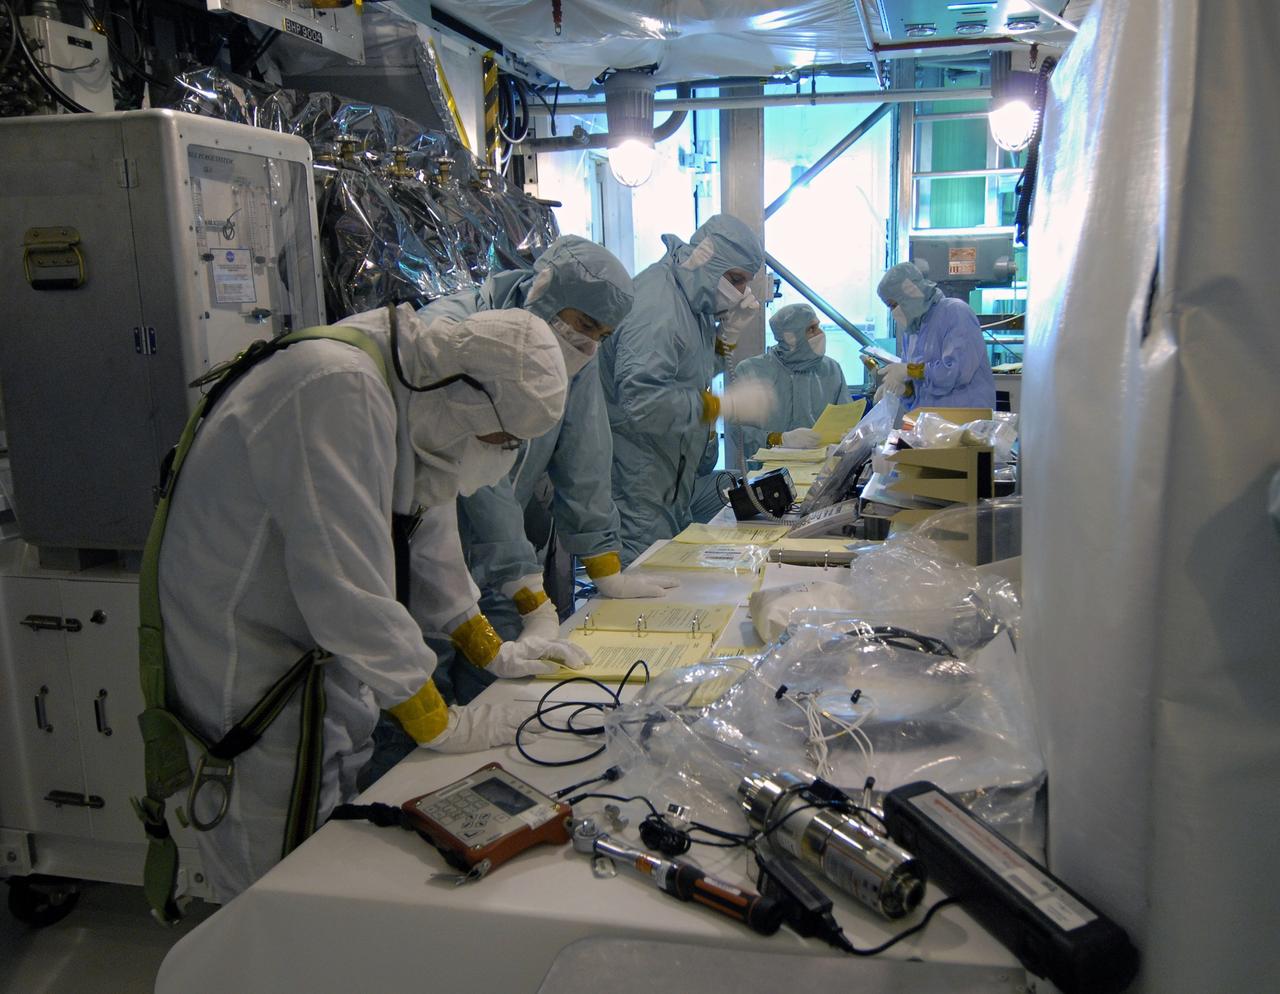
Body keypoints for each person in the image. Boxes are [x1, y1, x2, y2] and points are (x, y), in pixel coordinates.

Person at [156, 306, 577, 900]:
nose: (496, 453)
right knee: (275, 885)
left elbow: (423, 517)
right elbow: (346, 587)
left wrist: (486, 644)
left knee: (322, 864)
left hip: (308, 655)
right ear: (467, 401)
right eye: (498, 440)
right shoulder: (338, 386)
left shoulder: (409, 381)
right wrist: (439, 718)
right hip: (252, 673)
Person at [417, 235, 679, 703]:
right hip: (423, 552)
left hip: (500, 553)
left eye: (602, 335)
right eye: (585, 325)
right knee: (418, 684)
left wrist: (603, 564)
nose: (589, 343)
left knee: (503, 689)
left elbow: (586, 449)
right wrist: (527, 587)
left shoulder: (570, 349)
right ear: (544, 289)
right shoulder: (454, 337)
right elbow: (478, 474)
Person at [599, 214, 775, 563]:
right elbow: (642, 402)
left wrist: (725, 341)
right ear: (709, 258)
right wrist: (718, 406)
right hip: (636, 479)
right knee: (643, 585)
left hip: (667, 477)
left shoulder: (691, 302)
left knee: (666, 577)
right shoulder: (658, 304)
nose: (741, 292)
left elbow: (684, 374)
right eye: (737, 279)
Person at [725, 303, 848, 467]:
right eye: (811, 329)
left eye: (818, 326)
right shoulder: (751, 371)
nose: (820, 333)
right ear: (791, 337)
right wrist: (779, 439)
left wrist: (847, 437)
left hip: (821, 469)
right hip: (769, 473)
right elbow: (737, 431)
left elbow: (845, 419)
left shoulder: (832, 369)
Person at [874, 262, 996, 411]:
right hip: (930, 424)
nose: (893, 312)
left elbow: (955, 373)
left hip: (965, 421)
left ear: (909, 295)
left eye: (894, 305)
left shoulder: (955, 312)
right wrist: (903, 390)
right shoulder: (912, 332)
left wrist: (909, 370)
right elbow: (920, 390)